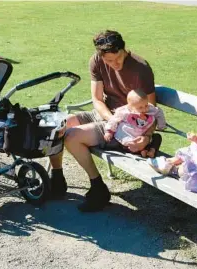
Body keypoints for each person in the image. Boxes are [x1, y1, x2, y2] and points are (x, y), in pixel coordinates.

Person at [48, 30, 157, 212]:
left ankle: (98, 189)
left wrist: (147, 136)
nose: (115, 64)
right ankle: (57, 179)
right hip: (107, 116)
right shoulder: (96, 61)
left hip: (128, 127)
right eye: (109, 61)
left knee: (72, 136)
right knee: (56, 126)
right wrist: (110, 119)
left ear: (124, 49)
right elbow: (97, 99)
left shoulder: (141, 68)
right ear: (101, 56)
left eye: (119, 58)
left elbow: (152, 111)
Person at [103, 88, 165, 158]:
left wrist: (161, 125)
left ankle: (151, 151)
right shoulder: (124, 112)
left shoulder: (150, 108)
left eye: (146, 105)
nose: (144, 109)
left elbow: (159, 112)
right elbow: (114, 120)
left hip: (141, 139)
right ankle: (142, 151)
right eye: (140, 107)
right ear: (130, 106)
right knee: (112, 142)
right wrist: (109, 131)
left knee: (157, 137)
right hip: (126, 136)